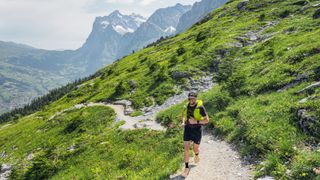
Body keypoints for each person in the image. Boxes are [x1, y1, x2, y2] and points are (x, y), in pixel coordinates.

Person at [180, 91, 209, 177]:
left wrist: (195, 121)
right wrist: (182, 122)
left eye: (192, 98)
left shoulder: (201, 107)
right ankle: (186, 168)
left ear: (196, 98)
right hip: (188, 129)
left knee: (195, 148)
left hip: (197, 129)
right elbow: (183, 115)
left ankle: (196, 155)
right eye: (189, 98)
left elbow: (207, 120)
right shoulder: (186, 106)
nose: (191, 100)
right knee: (186, 148)